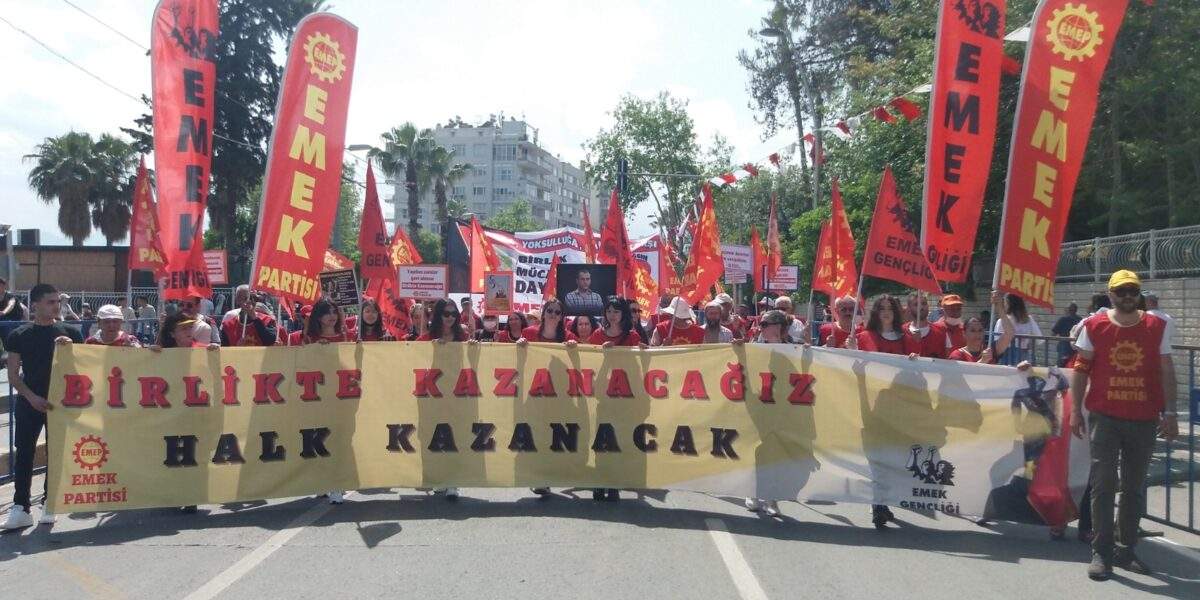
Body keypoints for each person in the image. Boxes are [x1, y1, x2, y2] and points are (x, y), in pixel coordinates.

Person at [1070, 270, 1178, 580]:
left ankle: (1126, 549)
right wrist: (1076, 411)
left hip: (1144, 419)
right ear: (1111, 294)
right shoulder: (1095, 326)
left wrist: (1170, 413)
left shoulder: (1158, 325)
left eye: (1133, 290)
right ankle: (1101, 553)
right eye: (1121, 291)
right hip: (1105, 418)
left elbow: (1166, 369)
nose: (1127, 295)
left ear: (1139, 293)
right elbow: (1081, 369)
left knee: (1133, 487)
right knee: (1103, 484)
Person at [2, 284, 84, 530]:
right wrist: (31, 397)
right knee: (24, 453)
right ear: (35, 304)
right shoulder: (19, 334)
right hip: (30, 403)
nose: (56, 306)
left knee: (56, 454)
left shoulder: (71, 332)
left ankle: (51, 502)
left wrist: (70, 350)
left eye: (57, 301)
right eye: (50, 301)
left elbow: (84, 369)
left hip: (60, 404)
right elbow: (14, 375)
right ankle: (20, 507)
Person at [847, 294, 918, 530]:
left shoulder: (907, 338)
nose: (886, 312)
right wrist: (852, 355)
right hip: (872, 403)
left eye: (890, 308)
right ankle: (878, 503)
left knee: (895, 456)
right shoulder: (863, 337)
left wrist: (913, 360)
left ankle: (883, 500)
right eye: (882, 308)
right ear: (876, 312)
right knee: (876, 455)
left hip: (899, 405)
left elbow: (915, 371)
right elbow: (853, 368)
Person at [516, 297, 577, 497]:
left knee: (553, 435)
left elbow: (575, 364)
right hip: (534, 392)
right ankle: (537, 476)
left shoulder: (567, 336)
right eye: (550, 311)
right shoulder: (529, 333)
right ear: (543, 313)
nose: (553, 315)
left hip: (558, 395)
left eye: (557, 312)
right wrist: (520, 345)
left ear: (562, 317)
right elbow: (519, 360)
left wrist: (572, 350)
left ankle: (548, 475)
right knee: (536, 433)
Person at [744, 309, 791, 517]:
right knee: (757, 450)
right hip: (758, 406)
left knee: (776, 452)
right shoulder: (753, 348)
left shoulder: (794, 349)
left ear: (778, 327)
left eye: (765, 324)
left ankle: (772, 498)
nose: (761, 328)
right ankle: (753, 492)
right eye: (761, 324)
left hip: (782, 408)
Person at [948, 292, 1013, 364]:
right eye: (973, 331)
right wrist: (982, 361)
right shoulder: (957, 355)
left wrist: (999, 307)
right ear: (964, 333)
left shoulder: (990, 351)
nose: (977, 334)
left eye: (980, 330)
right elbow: (964, 374)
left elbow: (1009, 333)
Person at [993, 294, 1041, 365]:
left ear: (1008, 304)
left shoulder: (1002, 321)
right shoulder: (1029, 319)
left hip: (1006, 355)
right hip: (1024, 354)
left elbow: (996, 339)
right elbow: (1038, 338)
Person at [904, 293, 952, 359]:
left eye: (924, 303)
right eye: (916, 304)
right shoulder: (902, 331)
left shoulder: (942, 330)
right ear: (909, 308)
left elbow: (948, 359)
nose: (921, 307)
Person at [1051, 302, 1083, 367]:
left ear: (1067, 310)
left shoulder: (1063, 319)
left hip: (1064, 349)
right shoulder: (1080, 320)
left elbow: (1053, 333)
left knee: (1061, 368)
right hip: (1076, 349)